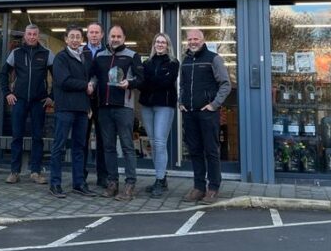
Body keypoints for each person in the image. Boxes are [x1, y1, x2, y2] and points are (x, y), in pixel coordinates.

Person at [90, 25, 144, 201]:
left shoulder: (132, 56)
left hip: (123, 107)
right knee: (108, 147)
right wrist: (91, 84)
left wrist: (129, 83)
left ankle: (130, 184)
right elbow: (95, 77)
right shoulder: (100, 56)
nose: (115, 39)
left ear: (124, 37)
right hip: (104, 108)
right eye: (112, 36)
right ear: (108, 37)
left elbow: (141, 79)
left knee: (128, 147)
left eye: (118, 36)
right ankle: (112, 182)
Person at [178, 28, 231, 204]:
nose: (193, 41)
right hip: (189, 113)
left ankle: (213, 188)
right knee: (195, 151)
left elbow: (225, 84)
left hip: (207, 113)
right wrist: (181, 101)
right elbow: (183, 85)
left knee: (211, 151)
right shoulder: (185, 61)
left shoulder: (213, 59)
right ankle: (198, 187)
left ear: (203, 40)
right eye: (190, 39)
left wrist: (214, 104)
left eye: (196, 38)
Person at [0, 23, 54, 184]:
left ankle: (35, 172)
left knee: (38, 137)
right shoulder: (16, 53)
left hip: (39, 101)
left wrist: (52, 96)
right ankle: (14, 172)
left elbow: (58, 76)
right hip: (19, 100)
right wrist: (7, 93)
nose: (31, 37)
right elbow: (3, 74)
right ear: (25, 36)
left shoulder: (46, 53)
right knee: (17, 136)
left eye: (34, 34)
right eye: (29, 34)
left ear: (38, 36)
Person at [49, 25, 97, 198]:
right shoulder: (61, 58)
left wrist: (91, 85)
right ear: (66, 39)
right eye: (72, 37)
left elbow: (91, 76)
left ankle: (79, 183)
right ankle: (55, 184)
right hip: (65, 109)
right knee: (59, 147)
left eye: (78, 37)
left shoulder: (85, 57)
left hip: (82, 109)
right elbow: (64, 81)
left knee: (79, 148)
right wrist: (86, 86)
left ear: (82, 39)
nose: (75, 39)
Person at [139, 33, 179, 197]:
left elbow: (166, 82)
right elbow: (141, 82)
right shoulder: (146, 62)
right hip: (147, 106)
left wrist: (149, 81)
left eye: (163, 42)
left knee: (160, 143)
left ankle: (160, 180)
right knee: (154, 143)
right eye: (157, 42)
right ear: (154, 44)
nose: (160, 44)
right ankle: (160, 179)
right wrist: (151, 81)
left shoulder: (173, 63)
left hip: (164, 106)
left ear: (168, 45)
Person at [81, 22, 109, 187]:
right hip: (83, 101)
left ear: (102, 35)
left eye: (97, 32)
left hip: (102, 101)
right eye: (91, 32)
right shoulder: (81, 51)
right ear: (87, 35)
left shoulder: (106, 52)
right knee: (82, 140)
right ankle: (81, 175)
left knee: (103, 141)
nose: (94, 35)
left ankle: (102, 177)